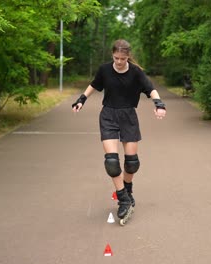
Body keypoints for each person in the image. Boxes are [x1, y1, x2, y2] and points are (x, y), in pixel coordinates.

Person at [71, 39, 166, 223]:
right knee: (112, 162)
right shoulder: (105, 69)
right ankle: (123, 199)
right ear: (112, 55)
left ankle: (128, 190)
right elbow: (94, 85)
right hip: (108, 116)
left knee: (131, 163)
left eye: (123, 58)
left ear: (128, 56)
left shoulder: (136, 72)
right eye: (116, 58)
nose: (119, 61)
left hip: (128, 117)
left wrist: (159, 104)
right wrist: (81, 99)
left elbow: (150, 89)